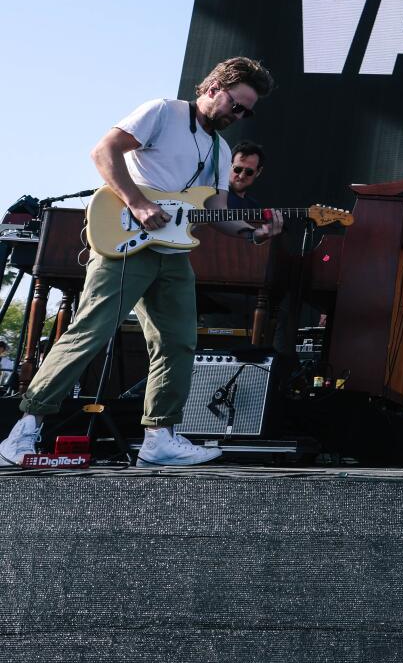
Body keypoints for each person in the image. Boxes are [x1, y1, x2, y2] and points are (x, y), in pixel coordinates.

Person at [2, 57, 281, 468]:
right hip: (125, 243)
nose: (237, 116)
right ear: (213, 87)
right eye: (235, 105)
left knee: (178, 342)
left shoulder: (221, 150)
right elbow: (104, 150)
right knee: (91, 332)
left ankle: (159, 437)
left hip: (172, 255)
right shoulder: (163, 112)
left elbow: (218, 209)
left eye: (246, 112)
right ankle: (24, 429)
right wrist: (138, 202)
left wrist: (253, 233)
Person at [224, 142, 266, 210]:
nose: (241, 176)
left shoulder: (254, 206)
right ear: (229, 165)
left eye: (249, 172)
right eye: (237, 169)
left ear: (258, 172)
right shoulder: (213, 197)